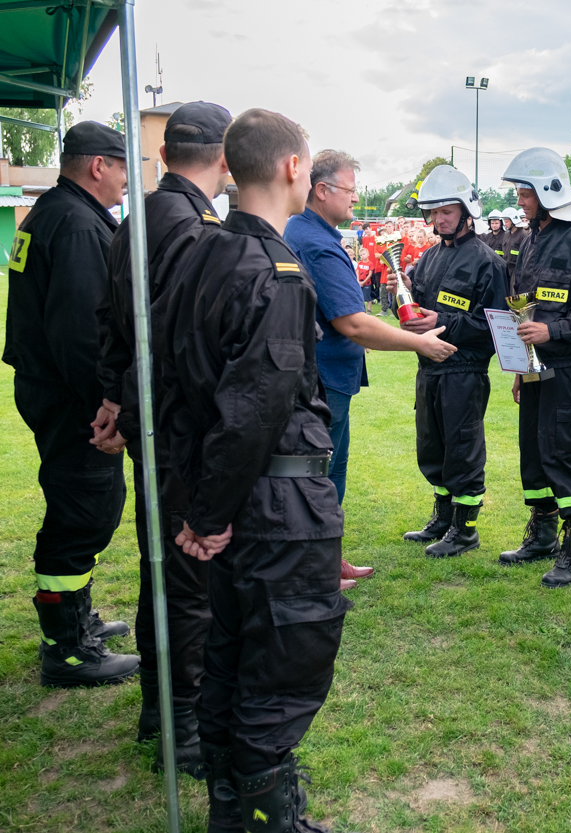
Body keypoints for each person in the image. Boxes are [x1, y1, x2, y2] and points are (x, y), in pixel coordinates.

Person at [158, 108, 350, 833]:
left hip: (235, 499)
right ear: (294, 167)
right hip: (273, 503)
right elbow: (253, 409)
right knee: (282, 663)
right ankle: (268, 821)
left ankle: (232, 815)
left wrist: (200, 504)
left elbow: (176, 390)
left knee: (232, 657)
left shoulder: (199, 252)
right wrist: (208, 514)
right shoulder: (276, 272)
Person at [91, 102, 231, 773]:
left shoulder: (139, 216)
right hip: (180, 429)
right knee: (189, 578)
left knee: (163, 571)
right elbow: (176, 343)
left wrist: (115, 396)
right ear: (224, 158)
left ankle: (161, 707)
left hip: (154, 422)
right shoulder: (194, 227)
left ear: (167, 152)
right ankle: (184, 724)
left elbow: (112, 320)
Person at [4, 121, 138, 688]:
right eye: (123, 167)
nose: (128, 180)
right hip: (72, 397)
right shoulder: (79, 224)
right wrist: (108, 404)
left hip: (49, 387)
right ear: (98, 166)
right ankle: (67, 649)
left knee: (87, 504)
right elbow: (84, 333)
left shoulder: (53, 211)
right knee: (83, 510)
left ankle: (77, 620)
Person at [286, 149, 456, 508]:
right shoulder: (316, 243)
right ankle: (321, 544)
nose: (356, 198)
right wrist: (418, 343)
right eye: (350, 190)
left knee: (331, 470)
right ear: (322, 191)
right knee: (322, 478)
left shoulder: (308, 231)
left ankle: (327, 542)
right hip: (323, 380)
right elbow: (352, 323)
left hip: (322, 376)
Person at [499, 147, 571, 588]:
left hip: (565, 366)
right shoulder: (529, 240)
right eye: (519, 193)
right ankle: (542, 536)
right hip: (533, 369)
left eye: (526, 193)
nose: (520, 200)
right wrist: (518, 367)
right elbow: (523, 309)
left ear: (549, 192)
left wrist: (555, 331)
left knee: (563, 452)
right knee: (533, 452)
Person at [399, 166, 506, 556]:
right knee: (433, 449)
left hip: (465, 372)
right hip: (428, 370)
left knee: (462, 451)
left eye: (447, 211)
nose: (439, 219)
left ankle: (465, 530)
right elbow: (417, 313)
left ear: (466, 211)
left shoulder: (488, 262)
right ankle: (443, 519)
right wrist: (405, 298)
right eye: (434, 212)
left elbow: (495, 326)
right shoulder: (428, 258)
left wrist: (441, 322)